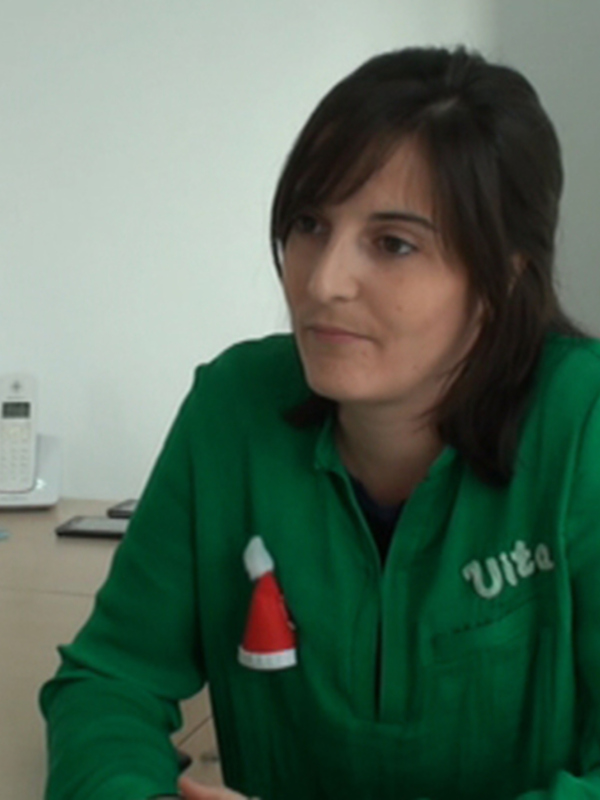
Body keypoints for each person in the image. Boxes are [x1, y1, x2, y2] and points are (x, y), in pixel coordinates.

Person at [40, 45, 600, 800]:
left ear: (502, 278)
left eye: (393, 243)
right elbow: (110, 681)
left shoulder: (584, 424)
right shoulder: (233, 408)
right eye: (309, 224)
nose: (323, 281)